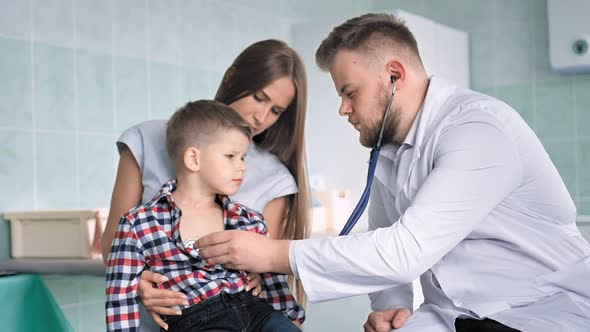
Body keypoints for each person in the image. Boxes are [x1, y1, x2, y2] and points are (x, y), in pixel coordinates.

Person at [195, 13, 590, 332]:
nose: (343, 109)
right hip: (455, 315)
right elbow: (384, 236)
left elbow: (406, 249)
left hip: (540, 310)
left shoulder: (478, 131)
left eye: (350, 92)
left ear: (394, 75)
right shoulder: (388, 150)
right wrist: (392, 303)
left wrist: (272, 253)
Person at [102, 39, 311, 331]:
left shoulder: (275, 178)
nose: (261, 118)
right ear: (232, 77)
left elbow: (264, 268)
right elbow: (115, 246)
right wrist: (138, 284)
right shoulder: (146, 140)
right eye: (259, 98)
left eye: (276, 110)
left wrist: (258, 279)